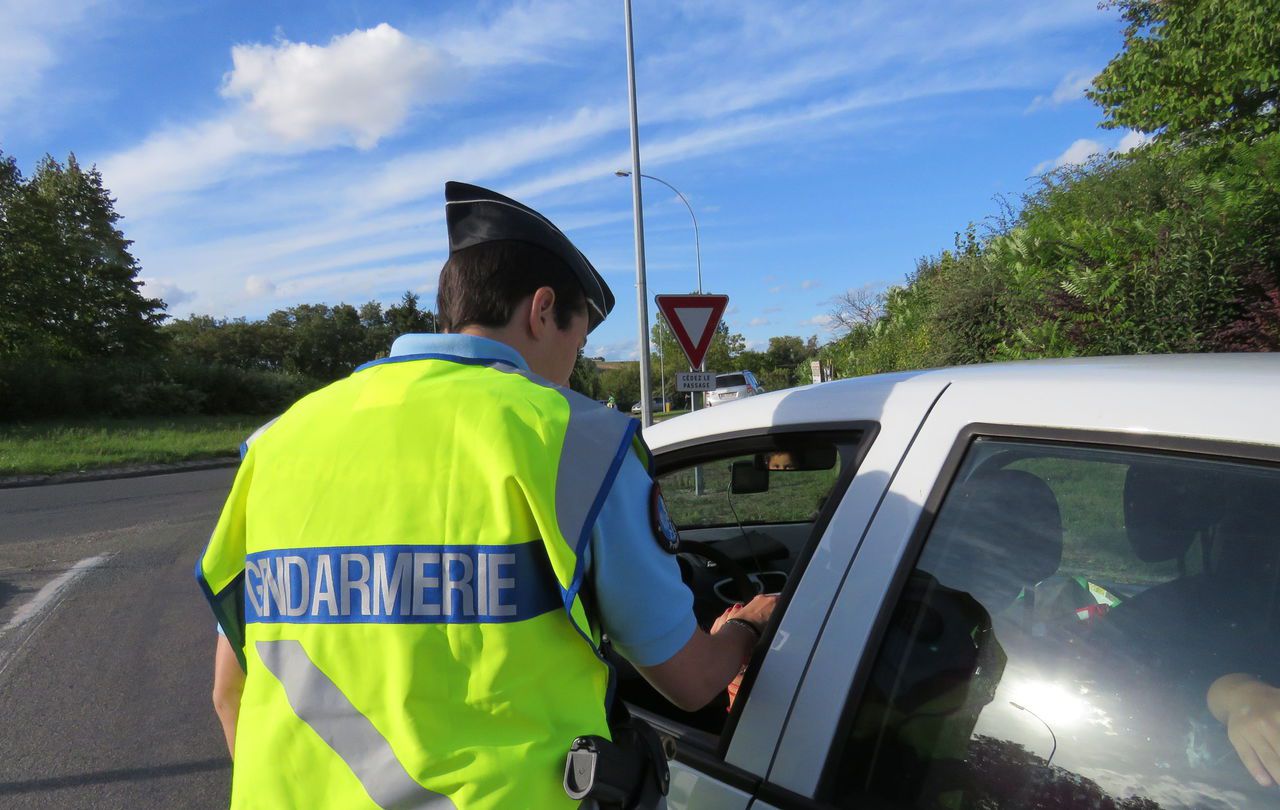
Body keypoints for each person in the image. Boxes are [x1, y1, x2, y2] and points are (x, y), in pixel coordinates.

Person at [197, 181, 776, 809]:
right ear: (542, 308)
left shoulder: (278, 443)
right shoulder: (572, 439)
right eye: (578, 341)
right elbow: (689, 681)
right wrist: (748, 626)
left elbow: (230, 693)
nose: (572, 366)